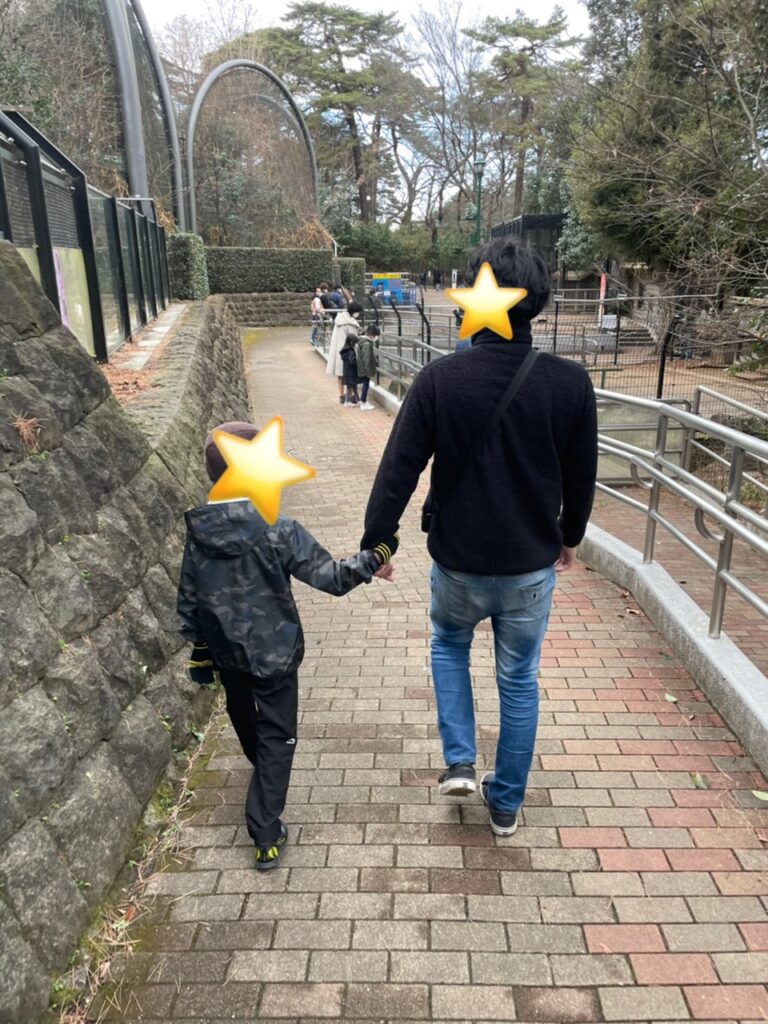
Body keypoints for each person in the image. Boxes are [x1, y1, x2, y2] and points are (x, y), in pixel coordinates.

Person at [361, 238, 598, 837]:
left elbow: (398, 468)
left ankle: (461, 762)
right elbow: (581, 477)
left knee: (449, 645)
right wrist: (569, 537)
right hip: (529, 563)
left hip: (458, 561)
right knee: (518, 678)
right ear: (537, 302)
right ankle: (506, 804)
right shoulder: (570, 383)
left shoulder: (440, 379)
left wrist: (378, 542)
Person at [177, 421, 398, 869]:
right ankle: (265, 832)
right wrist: (376, 556)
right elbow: (332, 578)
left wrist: (200, 647)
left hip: (227, 654)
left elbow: (189, 597)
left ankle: (265, 780)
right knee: (278, 736)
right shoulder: (279, 529)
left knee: (247, 724)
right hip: (275, 652)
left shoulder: (199, 531)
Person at [326, 300, 362, 405]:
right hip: (348, 351)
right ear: (354, 311)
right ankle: (350, 396)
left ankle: (341, 395)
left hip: (339, 351)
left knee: (340, 374)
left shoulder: (339, 320)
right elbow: (354, 339)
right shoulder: (350, 324)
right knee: (350, 374)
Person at [356, 324, 379, 410]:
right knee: (366, 385)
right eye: (376, 336)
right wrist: (369, 371)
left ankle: (363, 401)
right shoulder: (367, 344)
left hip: (363, 368)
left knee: (365, 385)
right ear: (372, 335)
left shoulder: (363, 342)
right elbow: (367, 359)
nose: (376, 338)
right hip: (365, 369)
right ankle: (363, 402)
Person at [339, 332, 360, 406]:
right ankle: (347, 402)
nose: (355, 344)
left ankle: (358, 400)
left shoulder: (344, 350)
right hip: (351, 372)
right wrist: (358, 363)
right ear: (351, 342)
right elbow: (352, 361)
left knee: (353, 387)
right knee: (350, 387)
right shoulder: (350, 351)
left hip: (347, 372)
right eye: (355, 343)